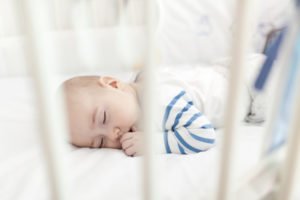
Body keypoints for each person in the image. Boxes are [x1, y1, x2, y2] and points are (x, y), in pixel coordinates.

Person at [62, 64, 253, 157]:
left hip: (251, 91)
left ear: (113, 84)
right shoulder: (139, 87)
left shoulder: (161, 103)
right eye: (101, 142)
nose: (113, 135)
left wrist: (156, 143)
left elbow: (204, 135)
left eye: (104, 118)